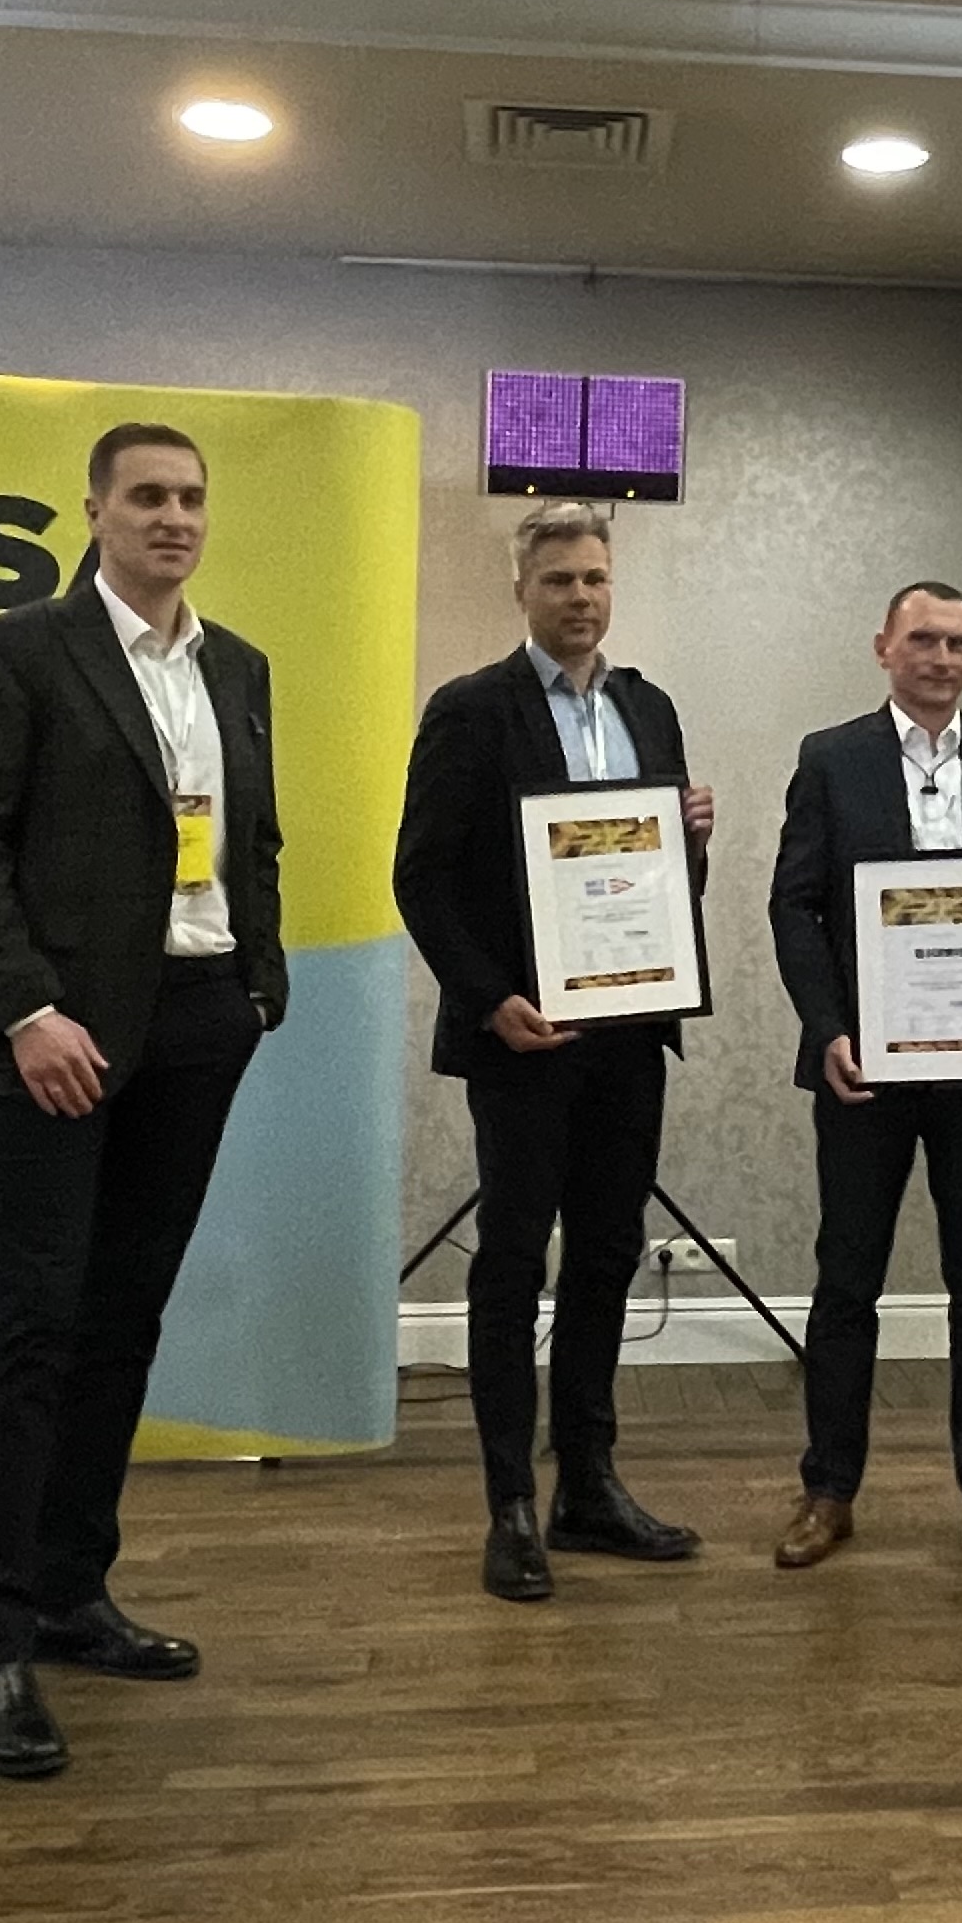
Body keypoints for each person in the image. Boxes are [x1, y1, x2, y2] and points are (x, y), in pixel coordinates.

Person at [0, 423, 286, 1780]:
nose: (172, 517)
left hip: (197, 1022)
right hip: (55, 1040)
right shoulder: (22, 650)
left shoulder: (235, 665)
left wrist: (258, 982)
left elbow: (249, 836)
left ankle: (72, 1592)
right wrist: (27, 1011)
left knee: (122, 1322)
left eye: (191, 496)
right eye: (146, 496)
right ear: (93, 510)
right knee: (33, 1329)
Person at [393, 501, 714, 1603]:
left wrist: (692, 844)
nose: (581, 596)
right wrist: (490, 1000)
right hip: (522, 1039)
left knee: (610, 1253)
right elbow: (420, 876)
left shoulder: (648, 708)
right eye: (560, 579)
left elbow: (662, 888)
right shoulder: (471, 708)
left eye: (595, 578)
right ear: (522, 591)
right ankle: (510, 1508)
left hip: (629, 1033)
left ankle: (588, 1484)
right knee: (513, 1260)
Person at [766, 582, 962, 1574]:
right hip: (864, 1070)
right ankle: (828, 1490)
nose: (941, 659)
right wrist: (827, 1029)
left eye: (959, 644)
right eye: (924, 640)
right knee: (848, 1280)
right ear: (883, 647)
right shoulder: (830, 758)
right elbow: (794, 905)